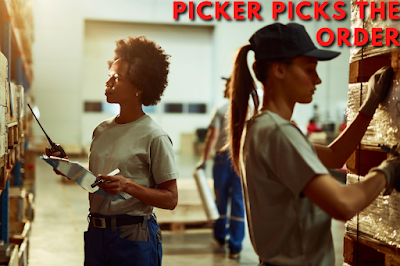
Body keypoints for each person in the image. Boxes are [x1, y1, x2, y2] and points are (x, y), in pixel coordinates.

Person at [227, 22, 400, 266]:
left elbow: (334, 156)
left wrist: (369, 105)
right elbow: (343, 205)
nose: (317, 79)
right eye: (309, 70)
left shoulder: (261, 127)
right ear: (279, 70)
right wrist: (389, 169)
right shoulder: (277, 133)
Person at [47, 36, 179, 266]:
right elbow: (98, 179)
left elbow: (170, 198)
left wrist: (127, 185)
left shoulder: (154, 136)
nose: (108, 84)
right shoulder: (101, 130)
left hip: (133, 238)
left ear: (139, 86)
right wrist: (68, 168)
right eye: (108, 77)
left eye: (116, 79)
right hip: (97, 234)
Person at [196, 77, 245, 259]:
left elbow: (212, 135)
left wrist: (203, 159)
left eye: (227, 85)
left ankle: (220, 236)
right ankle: (236, 245)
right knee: (238, 201)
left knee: (221, 198)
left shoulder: (221, 108)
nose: (225, 88)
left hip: (223, 158)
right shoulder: (249, 108)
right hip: (241, 158)